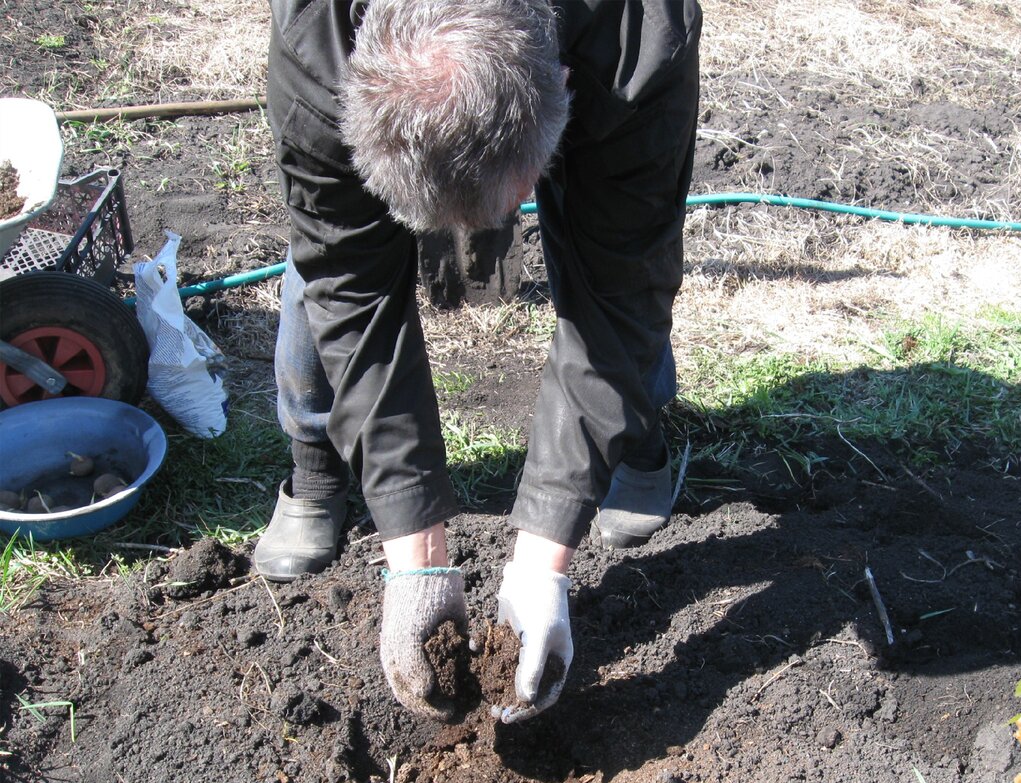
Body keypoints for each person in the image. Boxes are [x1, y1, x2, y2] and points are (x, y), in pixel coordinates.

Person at [257, 0, 701, 723]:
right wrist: (416, 561)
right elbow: (347, 279)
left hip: (607, 60)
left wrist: (541, 567)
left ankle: (634, 442)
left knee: (618, 260)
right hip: (347, 75)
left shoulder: (639, 39)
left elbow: (622, 291)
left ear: (560, 83)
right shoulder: (318, 41)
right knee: (327, 272)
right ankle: (316, 464)